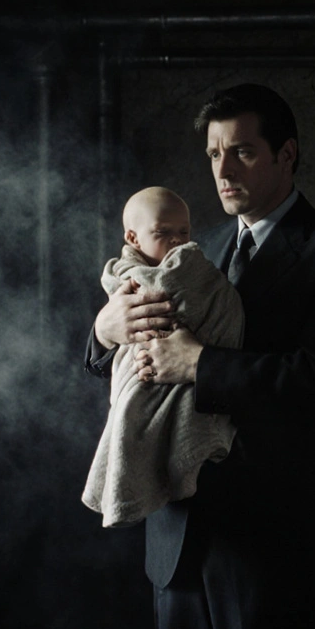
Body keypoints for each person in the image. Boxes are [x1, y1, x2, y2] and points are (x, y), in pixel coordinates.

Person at [85, 83, 315, 629]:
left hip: (279, 545)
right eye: (214, 154)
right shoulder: (192, 248)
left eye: (242, 152)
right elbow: (129, 344)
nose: (222, 170)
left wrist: (198, 364)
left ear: (285, 154)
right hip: (179, 535)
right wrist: (103, 333)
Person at [81, 186, 243, 528]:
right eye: (163, 233)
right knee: (132, 414)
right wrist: (104, 332)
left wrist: (199, 363)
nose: (177, 241)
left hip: (247, 493)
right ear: (133, 238)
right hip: (167, 518)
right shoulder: (207, 243)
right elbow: (108, 349)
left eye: (183, 232)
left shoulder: (192, 261)